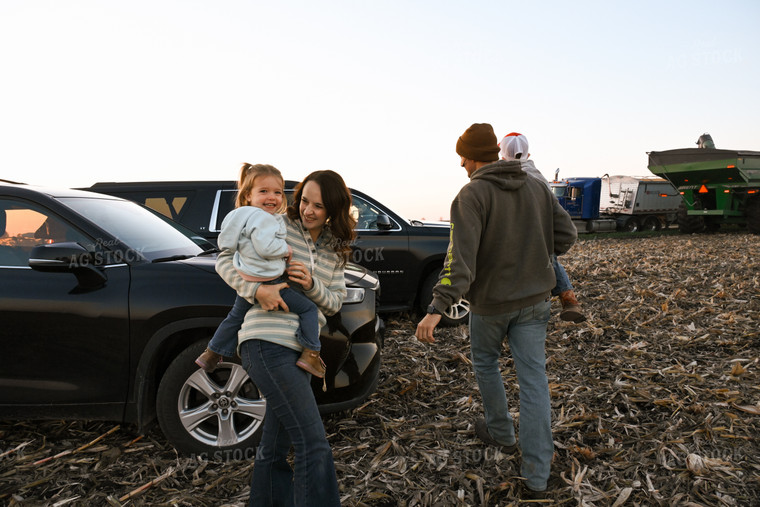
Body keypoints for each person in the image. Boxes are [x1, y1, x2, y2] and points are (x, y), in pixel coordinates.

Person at [415, 123, 577, 499]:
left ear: (475, 158)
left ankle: (501, 432)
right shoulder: (536, 186)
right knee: (534, 381)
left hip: (490, 307)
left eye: (463, 156)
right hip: (535, 302)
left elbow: (460, 264)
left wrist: (436, 309)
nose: (460, 163)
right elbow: (566, 237)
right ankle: (538, 477)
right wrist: (533, 250)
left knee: (486, 362)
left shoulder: (471, 195)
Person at [216, 169, 355, 507]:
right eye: (304, 200)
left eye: (318, 206)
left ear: (333, 211)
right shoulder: (277, 224)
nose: (307, 210)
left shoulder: (336, 250)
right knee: (313, 442)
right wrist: (257, 289)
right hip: (266, 341)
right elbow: (223, 259)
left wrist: (310, 285)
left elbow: (335, 302)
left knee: (274, 445)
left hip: (302, 351)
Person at [195, 163, 325, 378]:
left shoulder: (239, 215)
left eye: (277, 192)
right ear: (248, 195)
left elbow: (225, 244)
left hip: (248, 278)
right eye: (263, 191)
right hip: (270, 281)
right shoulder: (264, 219)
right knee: (308, 310)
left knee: (234, 318)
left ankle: (211, 353)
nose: (272, 197)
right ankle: (311, 353)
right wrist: (286, 249)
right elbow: (266, 248)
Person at [498, 132, 586, 323]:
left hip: (509, 243)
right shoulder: (540, 180)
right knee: (550, 257)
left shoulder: (495, 179)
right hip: (537, 240)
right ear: (528, 155)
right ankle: (569, 300)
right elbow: (563, 225)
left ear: (501, 155)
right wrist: (552, 249)